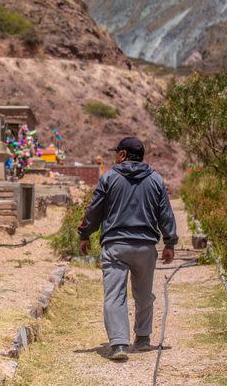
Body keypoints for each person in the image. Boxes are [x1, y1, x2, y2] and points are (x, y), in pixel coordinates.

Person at [78, 137, 178, 361]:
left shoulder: (109, 178)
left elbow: (94, 210)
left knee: (115, 295)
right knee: (144, 294)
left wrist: (85, 234)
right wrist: (169, 243)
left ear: (123, 155)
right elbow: (166, 214)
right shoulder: (156, 180)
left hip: (116, 246)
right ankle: (142, 338)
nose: (115, 157)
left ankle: (119, 344)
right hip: (145, 247)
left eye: (117, 153)